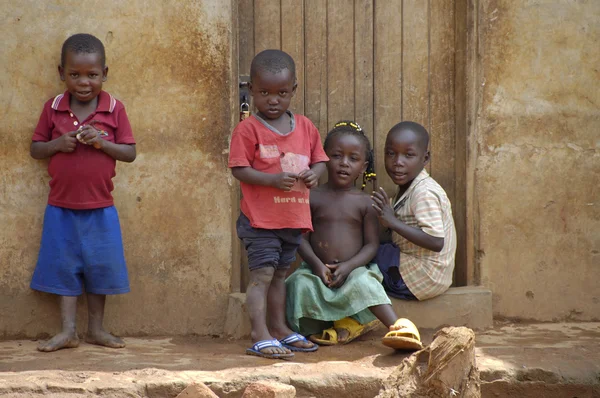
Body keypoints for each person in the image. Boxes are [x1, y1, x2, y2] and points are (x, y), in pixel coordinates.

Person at [29, 33, 136, 352]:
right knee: (64, 267)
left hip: (101, 208)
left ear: (105, 73)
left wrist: (102, 142)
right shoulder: (53, 108)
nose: (84, 82)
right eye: (75, 74)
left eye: (92, 75)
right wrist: (57, 145)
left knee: (99, 267)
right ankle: (68, 331)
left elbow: (129, 153)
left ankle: (97, 329)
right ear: (62, 73)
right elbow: (36, 148)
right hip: (60, 207)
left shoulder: (115, 109)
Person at [286, 121, 424, 351]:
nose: (344, 164)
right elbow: (301, 239)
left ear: (364, 166)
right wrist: (318, 266)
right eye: (337, 156)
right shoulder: (312, 197)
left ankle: (400, 328)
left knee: (365, 283)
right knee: (298, 284)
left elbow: (371, 245)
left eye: (353, 158)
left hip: (354, 270)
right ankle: (312, 330)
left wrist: (350, 267)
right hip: (315, 270)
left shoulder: (365, 202)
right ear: (323, 158)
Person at [228, 49, 328, 359]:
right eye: (264, 93)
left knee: (280, 275)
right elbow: (238, 169)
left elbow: (320, 162)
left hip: (292, 219)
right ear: (252, 92)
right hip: (260, 222)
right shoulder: (248, 130)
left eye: (282, 93)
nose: (273, 99)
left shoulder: (306, 127)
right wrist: (271, 180)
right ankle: (260, 334)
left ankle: (280, 328)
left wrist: (314, 175)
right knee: (262, 276)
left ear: (293, 90)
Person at [371, 121, 457, 303]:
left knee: (361, 260)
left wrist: (392, 221)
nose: (397, 163)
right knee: (369, 250)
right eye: (391, 154)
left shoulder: (424, 192)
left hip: (426, 275)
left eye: (408, 155)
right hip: (421, 269)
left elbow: (436, 241)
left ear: (425, 159)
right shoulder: (408, 187)